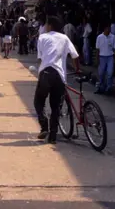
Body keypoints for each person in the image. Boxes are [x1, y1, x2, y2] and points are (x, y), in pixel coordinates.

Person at [34, 15, 80, 144]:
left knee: (39, 102)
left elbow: (40, 58)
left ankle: (44, 126)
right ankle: (53, 136)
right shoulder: (64, 38)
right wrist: (77, 70)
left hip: (46, 73)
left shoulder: (42, 37)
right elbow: (75, 56)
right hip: (59, 76)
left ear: (49, 26)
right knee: (55, 107)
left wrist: (40, 70)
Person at [95, 24, 115, 94]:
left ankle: (108, 88)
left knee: (110, 73)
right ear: (104, 29)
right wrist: (97, 59)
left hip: (110, 57)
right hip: (102, 57)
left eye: (109, 28)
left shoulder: (113, 37)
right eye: (108, 28)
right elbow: (97, 49)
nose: (109, 29)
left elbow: (114, 49)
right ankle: (101, 87)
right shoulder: (99, 37)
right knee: (101, 73)